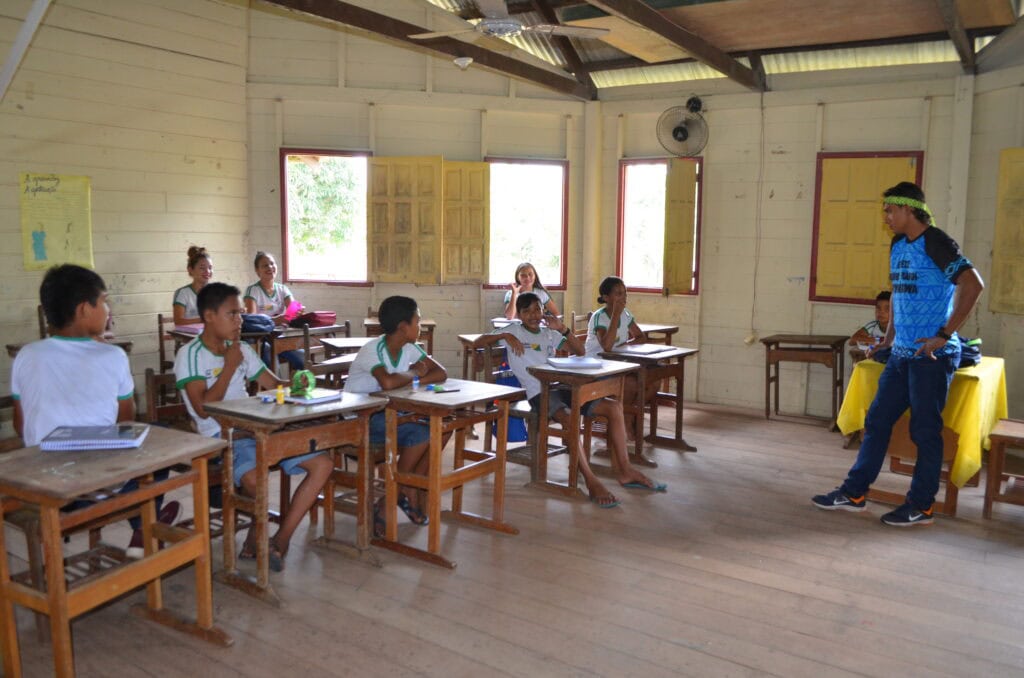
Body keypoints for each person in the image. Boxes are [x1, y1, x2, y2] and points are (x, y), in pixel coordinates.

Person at [812, 182, 984, 527]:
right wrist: (887, 340)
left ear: (909, 210)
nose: (886, 217)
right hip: (901, 354)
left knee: (924, 431)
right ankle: (855, 493)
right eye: (886, 211)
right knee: (876, 422)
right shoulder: (896, 244)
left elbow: (973, 284)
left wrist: (944, 335)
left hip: (931, 356)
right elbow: (900, 297)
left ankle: (922, 505)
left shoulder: (936, 241)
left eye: (891, 211)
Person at [12, 264, 179, 557]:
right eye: (104, 301)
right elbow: (126, 424)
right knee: (159, 437)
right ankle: (144, 524)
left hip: (41, 484)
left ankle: (145, 523)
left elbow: (19, 424)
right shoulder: (113, 356)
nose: (109, 309)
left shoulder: (27, 355)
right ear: (83, 310)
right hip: (98, 485)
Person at [175, 282, 331, 571]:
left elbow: (273, 384)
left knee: (322, 464)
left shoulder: (242, 349)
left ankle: (280, 540)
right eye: (232, 314)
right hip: (222, 438)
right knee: (254, 480)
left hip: (258, 428)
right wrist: (230, 367)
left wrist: (298, 384)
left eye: (241, 314)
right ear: (209, 316)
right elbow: (203, 409)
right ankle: (254, 539)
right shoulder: (190, 355)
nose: (240, 320)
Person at [474, 292, 666, 508]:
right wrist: (505, 337)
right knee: (570, 418)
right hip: (539, 392)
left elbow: (579, 350)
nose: (533, 315)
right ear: (519, 314)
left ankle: (625, 470)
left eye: (537, 309)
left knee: (613, 407)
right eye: (526, 311)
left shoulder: (549, 332)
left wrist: (562, 328)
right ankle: (591, 481)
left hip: (563, 386)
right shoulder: (513, 330)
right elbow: (479, 341)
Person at [344, 296, 447, 536]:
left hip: (388, 412)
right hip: (359, 419)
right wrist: (413, 373)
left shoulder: (408, 348)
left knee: (441, 429)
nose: (420, 326)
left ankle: (402, 489)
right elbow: (388, 382)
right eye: (417, 321)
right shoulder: (373, 349)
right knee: (423, 432)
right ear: (403, 326)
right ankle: (398, 493)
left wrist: (415, 377)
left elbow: (440, 373)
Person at [585, 276, 653, 436]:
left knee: (653, 381)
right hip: (598, 366)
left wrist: (625, 346)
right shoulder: (599, 317)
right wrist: (615, 314)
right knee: (630, 384)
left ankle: (627, 416)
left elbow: (641, 337)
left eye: (625, 293)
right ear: (606, 298)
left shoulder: (626, 314)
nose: (624, 298)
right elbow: (607, 347)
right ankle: (625, 421)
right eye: (618, 294)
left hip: (620, 363)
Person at [244, 251, 304, 371]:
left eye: (272, 264)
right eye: (265, 265)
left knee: (302, 359)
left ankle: (297, 388)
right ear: (257, 271)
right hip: (262, 339)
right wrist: (275, 321)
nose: (270, 267)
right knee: (272, 365)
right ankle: (275, 388)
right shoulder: (253, 290)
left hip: (280, 338)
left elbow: (293, 309)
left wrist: (298, 312)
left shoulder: (283, 289)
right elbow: (252, 320)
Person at [172, 245, 213, 325]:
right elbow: (178, 321)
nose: (207, 271)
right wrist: (202, 319)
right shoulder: (183, 293)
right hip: (188, 336)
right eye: (202, 268)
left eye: (210, 267)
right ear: (191, 270)